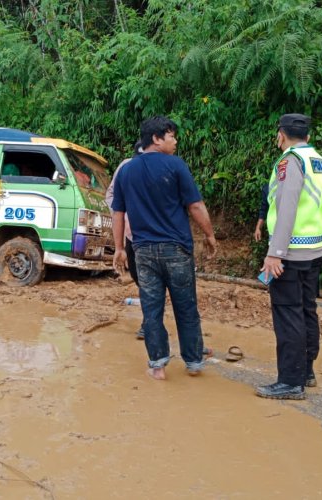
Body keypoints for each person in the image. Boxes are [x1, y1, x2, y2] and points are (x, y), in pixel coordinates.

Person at [111, 116, 217, 380]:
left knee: (152, 309)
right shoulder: (175, 165)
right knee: (186, 307)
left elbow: (117, 213)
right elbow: (195, 206)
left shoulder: (126, 170)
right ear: (156, 139)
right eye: (171, 136)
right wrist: (210, 235)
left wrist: (119, 248)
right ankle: (193, 363)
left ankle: (157, 365)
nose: (175, 141)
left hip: (144, 251)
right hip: (176, 250)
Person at [256, 114, 322, 400]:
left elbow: (286, 207)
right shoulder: (320, 162)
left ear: (281, 135)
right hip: (314, 249)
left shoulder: (290, 162)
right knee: (306, 309)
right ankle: (306, 371)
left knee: (288, 314)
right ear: (309, 137)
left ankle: (290, 381)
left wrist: (275, 253)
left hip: (290, 252)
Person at [106, 140, 146, 339]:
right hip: (131, 233)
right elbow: (111, 194)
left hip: (153, 235)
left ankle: (148, 323)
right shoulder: (126, 167)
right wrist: (121, 211)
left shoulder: (161, 166)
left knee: (150, 280)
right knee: (139, 277)